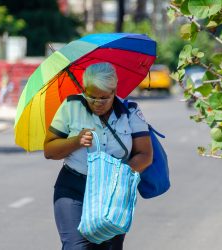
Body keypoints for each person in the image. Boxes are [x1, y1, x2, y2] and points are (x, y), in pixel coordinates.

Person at [44, 62, 153, 250]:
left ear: (114, 91)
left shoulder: (131, 111)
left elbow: (145, 155)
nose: (97, 103)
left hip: (113, 193)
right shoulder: (71, 106)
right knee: (75, 247)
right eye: (91, 96)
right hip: (73, 187)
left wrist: (120, 174)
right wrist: (76, 141)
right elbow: (49, 150)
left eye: (104, 98)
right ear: (84, 89)